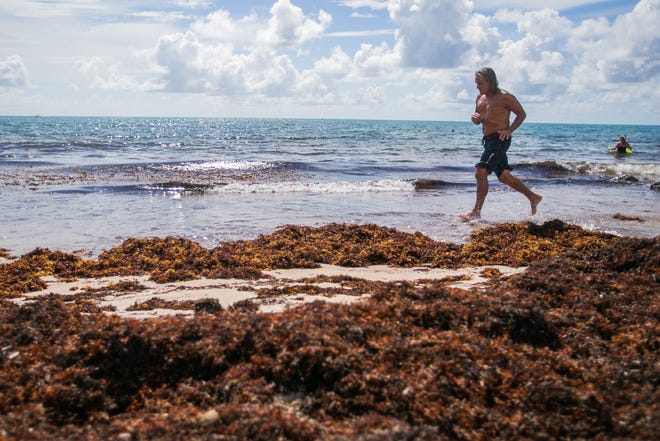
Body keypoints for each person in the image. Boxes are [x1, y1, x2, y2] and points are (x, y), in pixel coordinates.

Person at [460, 67, 542, 220]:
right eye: (476, 83)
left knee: (481, 171)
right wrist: (475, 119)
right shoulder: (480, 98)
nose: (477, 86)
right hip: (487, 140)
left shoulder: (505, 97)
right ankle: (533, 197)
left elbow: (521, 114)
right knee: (504, 176)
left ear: (490, 82)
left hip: (500, 140)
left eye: (480, 83)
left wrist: (510, 130)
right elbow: (478, 119)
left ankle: (476, 211)